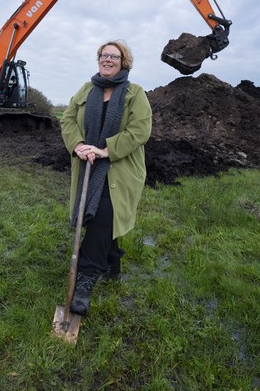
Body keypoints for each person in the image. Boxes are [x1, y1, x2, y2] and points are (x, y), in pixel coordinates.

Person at [60, 40, 152, 316]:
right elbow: (67, 119)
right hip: (88, 163)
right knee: (100, 216)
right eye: (104, 55)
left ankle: (86, 280)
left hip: (119, 168)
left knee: (100, 215)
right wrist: (77, 145)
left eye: (114, 56)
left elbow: (139, 130)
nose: (108, 60)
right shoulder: (87, 89)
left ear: (124, 62)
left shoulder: (135, 93)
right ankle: (113, 259)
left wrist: (105, 150)